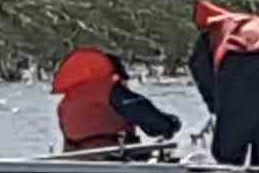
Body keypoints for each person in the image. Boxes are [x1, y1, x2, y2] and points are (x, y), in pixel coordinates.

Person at [189, 0, 259, 166]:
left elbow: (200, 68)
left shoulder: (212, 31)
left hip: (234, 72)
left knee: (227, 156)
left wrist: (215, 104)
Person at [51, 47, 181, 158]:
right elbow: (142, 111)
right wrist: (168, 124)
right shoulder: (109, 91)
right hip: (109, 158)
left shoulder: (66, 102)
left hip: (74, 161)